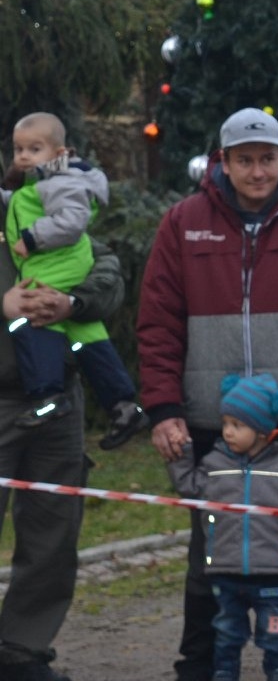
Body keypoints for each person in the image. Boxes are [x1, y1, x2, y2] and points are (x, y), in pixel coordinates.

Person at [138, 107, 278, 681]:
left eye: (268, 159)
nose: (258, 172)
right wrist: (163, 409)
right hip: (211, 424)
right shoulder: (182, 224)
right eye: (245, 160)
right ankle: (201, 663)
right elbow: (158, 323)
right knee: (206, 556)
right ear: (224, 164)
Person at [0, 243, 123, 681]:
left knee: (53, 533)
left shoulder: (44, 205)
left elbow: (108, 268)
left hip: (57, 396)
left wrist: (74, 301)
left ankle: (22, 651)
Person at [168, 373, 278, 681]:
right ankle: (223, 673)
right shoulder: (215, 462)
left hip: (272, 576)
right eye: (226, 423)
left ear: (262, 431)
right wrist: (182, 455)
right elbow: (190, 487)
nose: (228, 432)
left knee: (275, 635)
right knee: (227, 633)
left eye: (237, 425)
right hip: (225, 574)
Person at [2, 112, 143, 446]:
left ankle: (47, 396)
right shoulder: (34, 186)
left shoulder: (59, 181)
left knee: (33, 318)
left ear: (59, 152)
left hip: (57, 266)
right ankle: (123, 405)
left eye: (33, 149)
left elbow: (73, 219)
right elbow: (19, 204)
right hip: (61, 265)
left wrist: (33, 238)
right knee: (87, 338)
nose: (23, 156)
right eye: (18, 149)